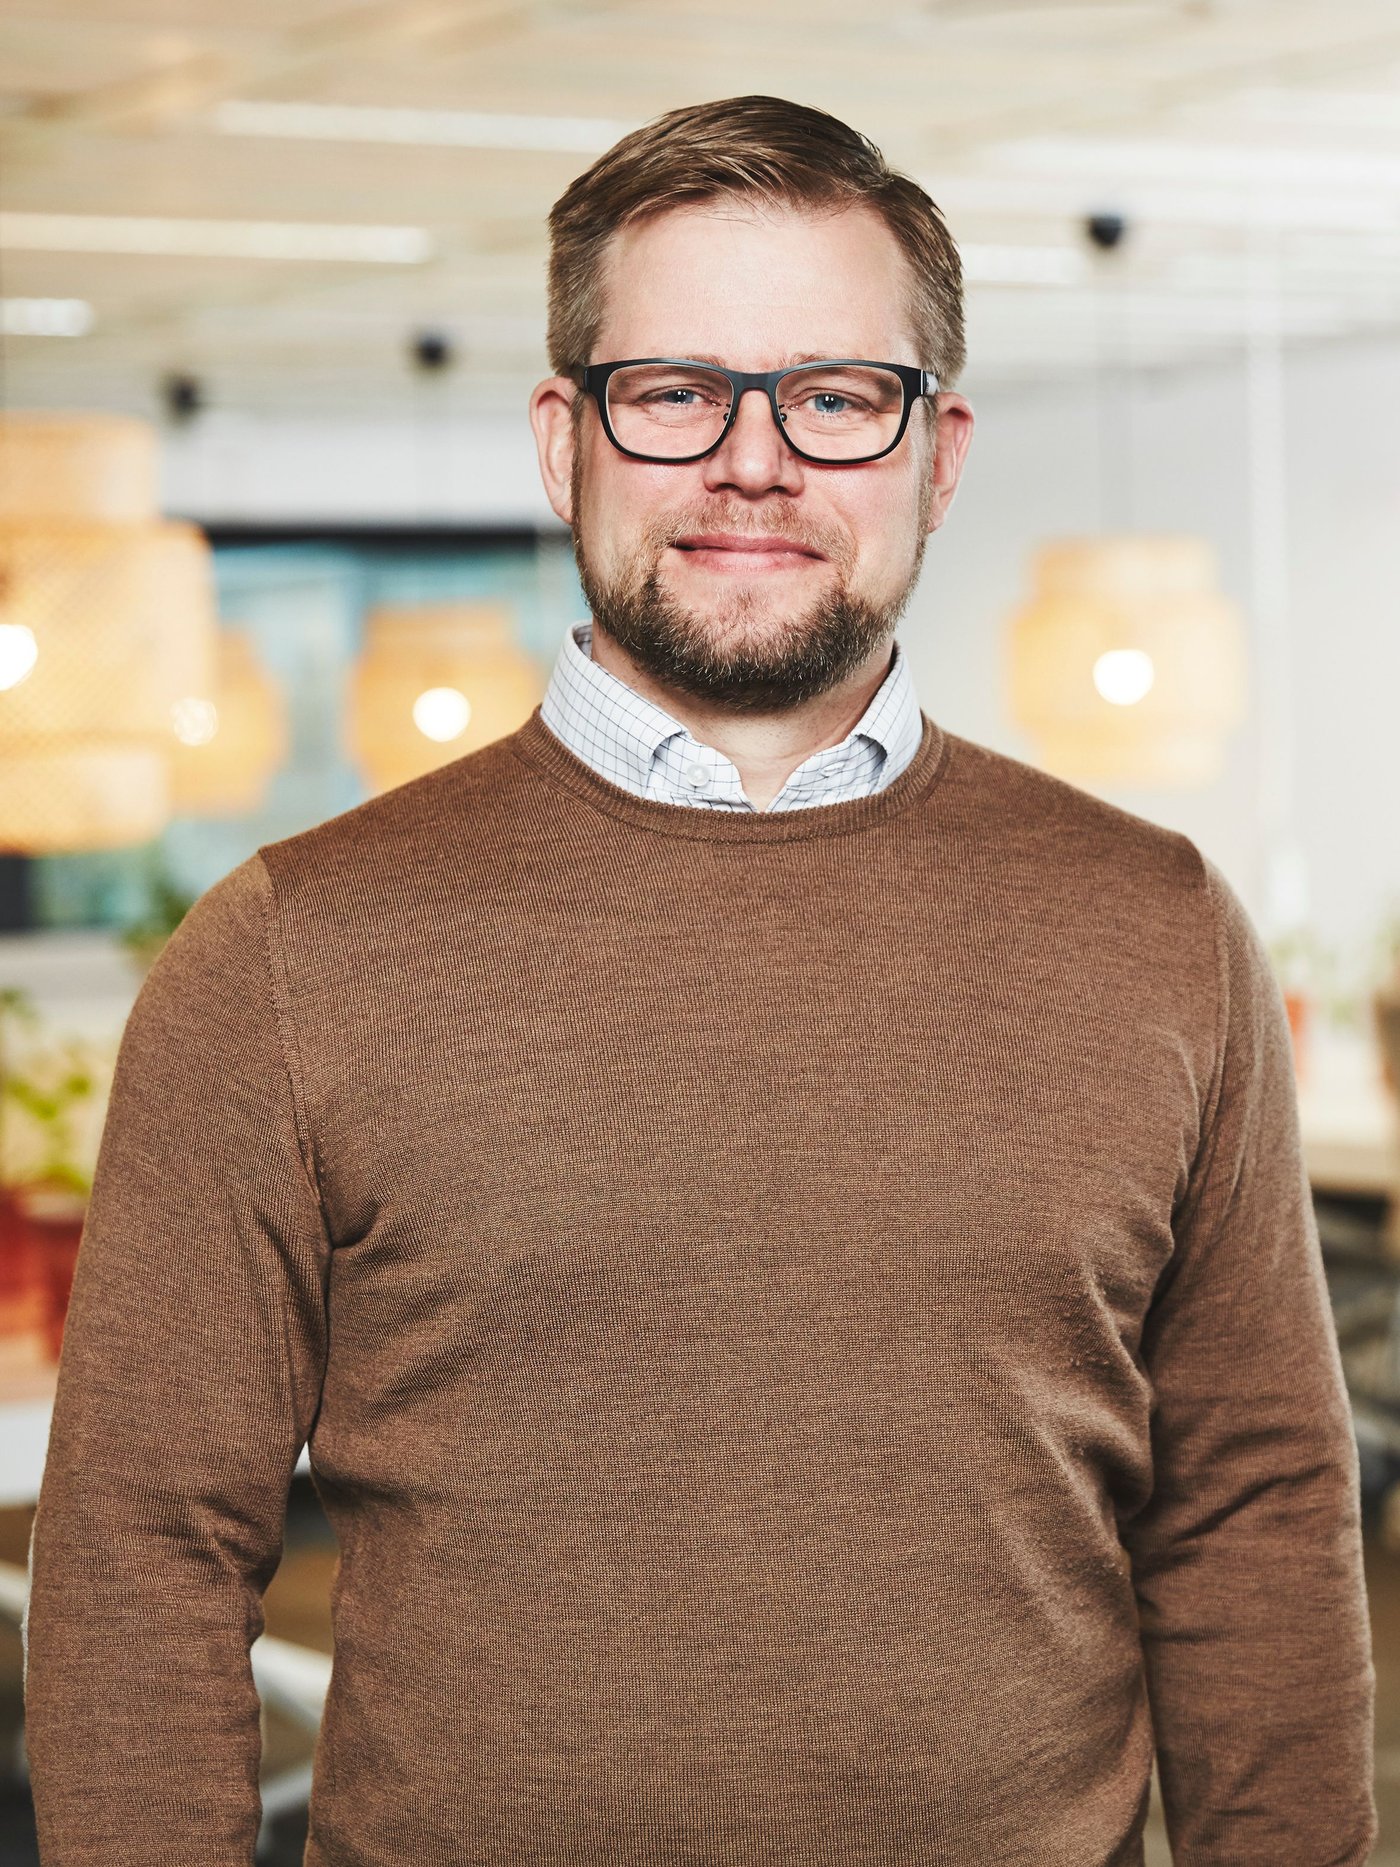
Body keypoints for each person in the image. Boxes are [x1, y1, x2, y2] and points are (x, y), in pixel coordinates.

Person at [23, 94, 1376, 1867]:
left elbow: (1255, 1517)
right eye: (675, 393)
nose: (757, 461)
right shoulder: (288, 952)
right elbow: (139, 1550)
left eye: (834, 396)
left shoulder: (1158, 927)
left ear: (940, 451)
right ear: (562, 438)